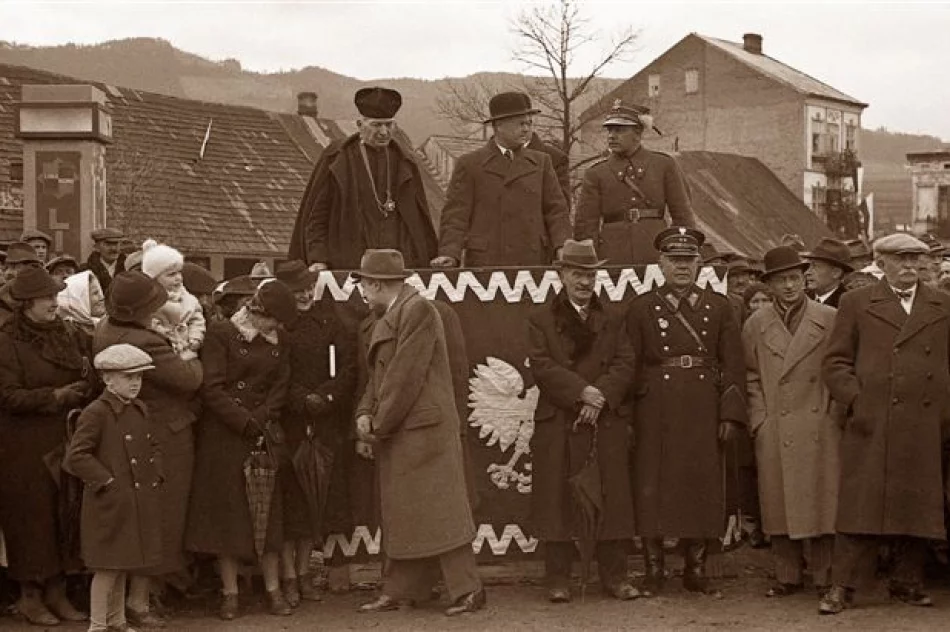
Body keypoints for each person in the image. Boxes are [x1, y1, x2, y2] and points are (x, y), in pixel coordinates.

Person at [820, 233, 950, 614]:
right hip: (872, 421)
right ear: (882, 263)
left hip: (924, 421)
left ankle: (906, 582)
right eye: (901, 259)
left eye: (916, 259)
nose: (910, 266)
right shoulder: (857, 303)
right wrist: (857, 400)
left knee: (918, 506)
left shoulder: (942, 303)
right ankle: (841, 587)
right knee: (860, 506)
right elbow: (835, 362)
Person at [352, 249, 484, 616]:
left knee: (441, 512)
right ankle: (401, 591)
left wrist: (377, 423)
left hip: (423, 430)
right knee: (409, 512)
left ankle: (469, 591)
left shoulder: (418, 311)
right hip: (410, 428)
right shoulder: (399, 311)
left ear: (377, 283)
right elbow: (382, 377)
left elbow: (404, 376)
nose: (361, 290)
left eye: (363, 283)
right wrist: (366, 411)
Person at [625, 227, 746, 596]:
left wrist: (729, 414)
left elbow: (734, 364)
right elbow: (628, 365)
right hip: (655, 407)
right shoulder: (641, 307)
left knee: (701, 484)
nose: (682, 267)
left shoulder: (719, 306)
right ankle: (654, 571)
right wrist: (628, 417)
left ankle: (696, 569)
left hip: (702, 406)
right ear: (661, 264)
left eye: (689, 261)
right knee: (652, 486)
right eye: (674, 260)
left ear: (698, 264)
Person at [526, 239, 638, 603]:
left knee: (611, 496)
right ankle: (558, 579)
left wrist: (600, 395)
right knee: (557, 501)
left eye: (590, 274)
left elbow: (625, 363)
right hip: (560, 420)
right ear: (561, 275)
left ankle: (615, 576)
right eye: (577, 273)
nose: (584, 281)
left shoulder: (615, 317)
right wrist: (581, 393)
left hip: (603, 419)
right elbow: (542, 366)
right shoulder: (540, 319)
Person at [93, 271, 204, 627]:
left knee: (140, 518)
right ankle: (141, 602)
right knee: (159, 518)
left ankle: (134, 601)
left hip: (127, 433)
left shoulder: (105, 329)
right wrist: (188, 351)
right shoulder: (146, 341)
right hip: (162, 436)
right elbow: (189, 380)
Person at [186, 279, 298, 620]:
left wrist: (261, 419)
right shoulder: (221, 333)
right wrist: (243, 421)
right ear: (256, 311)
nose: (274, 329)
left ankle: (273, 589)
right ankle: (230, 593)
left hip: (261, 433)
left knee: (268, 515)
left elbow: (281, 386)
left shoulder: (281, 341)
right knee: (228, 517)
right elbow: (212, 387)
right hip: (224, 435)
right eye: (272, 321)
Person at [743, 246, 840, 598]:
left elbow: (839, 369)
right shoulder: (756, 323)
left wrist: (832, 415)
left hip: (819, 423)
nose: (789, 286)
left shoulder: (829, 318)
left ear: (805, 279)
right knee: (779, 503)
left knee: (822, 503)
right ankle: (786, 576)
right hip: (776, 425)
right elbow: (750, 376)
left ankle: (824, 577)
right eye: (781, 280)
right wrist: (761, 420)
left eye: (795, 278)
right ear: (769, 285)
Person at [0, 267, 95, 626]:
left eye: (56, 297)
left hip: (62, 439)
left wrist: (82, 386)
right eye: (47, 299)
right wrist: (56, 396)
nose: (55, 304)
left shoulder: (64, 333)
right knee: (30, 521)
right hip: (21, 446)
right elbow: (7, 395)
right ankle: (29, 596)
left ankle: (57, 592)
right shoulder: (7, 342)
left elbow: (81, 373)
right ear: (26, 305)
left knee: (61, 517)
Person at [63, 344, 162, 632]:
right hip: (108, 502)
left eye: (140, 377)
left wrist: (156, 472)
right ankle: (97, 626)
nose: (135, 383)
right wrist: (108, 481)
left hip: (135, 499)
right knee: (107, 568)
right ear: (108, 380)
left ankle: (116, 621)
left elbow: (152, 446)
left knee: (123, 564)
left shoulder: (139, 409)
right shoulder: (97, 412)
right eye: (128, 377)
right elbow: (77, 456)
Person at [276, 260, 357, 606]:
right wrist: (299, 400)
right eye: (298, 291)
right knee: (291, 502)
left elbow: (348, 367)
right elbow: (276, 371)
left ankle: (306, 571)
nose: (306, 295)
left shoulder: (330, 321)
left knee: (314, 499)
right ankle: (289, 577)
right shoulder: (279, 327)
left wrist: (326, 396)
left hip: (324, 420)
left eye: (309, 288)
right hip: (289, 423)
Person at [290, 87, 438, 271]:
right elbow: (317, 216)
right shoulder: (338, 159)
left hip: (396, 266)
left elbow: (418, 220)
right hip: (348, 264)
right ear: (360, 125)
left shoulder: (405, 161)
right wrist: (318, 258)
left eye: (389, 125)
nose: (384, 132)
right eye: (376, 125)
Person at [431, 91, 571, 268]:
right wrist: (449, 253)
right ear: (498, 125)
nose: (526, 129)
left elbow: (557, 211)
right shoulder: (470, 164)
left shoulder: (542, 162)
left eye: (529, 123)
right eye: (520, 124)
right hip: (486, 263)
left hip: (533, 260)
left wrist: (563, 245)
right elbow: (456, 216)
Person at [574, 100, 695, 264]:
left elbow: (683, 216)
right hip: (612, 257)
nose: (612, 135)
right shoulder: (596, 173)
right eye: (609, 130)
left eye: (620, 130)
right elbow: (586, 227)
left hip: (657, 254)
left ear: (638, 133)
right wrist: (592, 263)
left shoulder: (664, 165)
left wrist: (677, 255)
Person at [139, 239, 206, 360]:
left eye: (179, 273)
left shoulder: (188, 298)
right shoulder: (149, 301)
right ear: (154, 278)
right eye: (171, 275)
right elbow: (149, 324)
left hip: (188, 351)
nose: (178, 278)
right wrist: (165, 334)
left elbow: (197, 320)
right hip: (162, 352)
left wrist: (195, 337)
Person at [0, 242, 42, 326]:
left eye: (15, 267)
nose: (8, 273)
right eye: (7, 267)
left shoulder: (47, 297)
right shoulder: (4, 300)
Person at [803, 238, 853, 308]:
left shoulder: (848, 305)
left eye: (815, 266)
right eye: (808, 266)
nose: (807, 272)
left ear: (836, 273)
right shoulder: (802, 299)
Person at [57, 270, 107, 337]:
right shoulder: (68, 334)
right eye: (95, 293)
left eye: (101, 292)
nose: (102, 297)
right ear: (79, 300)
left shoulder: (106, 325)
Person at [526, 132, 571, 205]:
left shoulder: (555, 158)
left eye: (526, 123)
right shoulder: (502, 157)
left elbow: (560, 207)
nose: (524, 128)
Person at [83, 228, 126, 296]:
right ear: (96, 247)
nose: (113, 248)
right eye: (108, 244)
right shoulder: (85, 271)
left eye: (116, 244)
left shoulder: (129, 269)